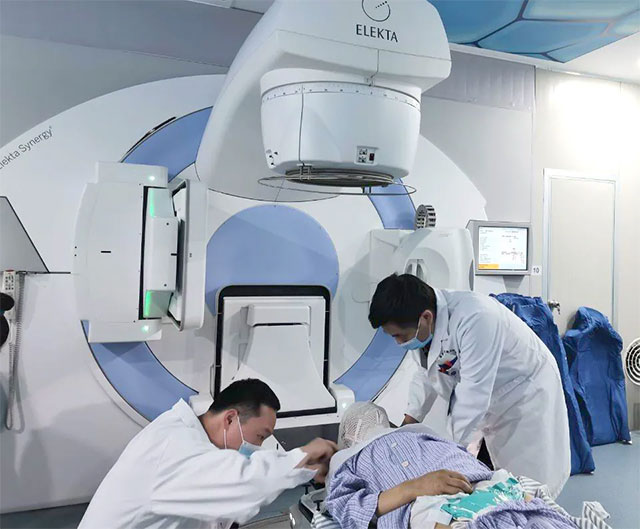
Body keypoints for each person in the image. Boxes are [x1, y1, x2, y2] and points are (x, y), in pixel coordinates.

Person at [368, 274, 570, 498]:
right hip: (492, 397)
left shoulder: (476, 318)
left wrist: (447, 456)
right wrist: (406, 426)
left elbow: (473, 397)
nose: (399, 343)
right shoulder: (426, 324)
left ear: (426, 317)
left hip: (525, 394)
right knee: (499, 481)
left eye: (400, 336)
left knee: (528, 485)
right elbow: (426, 373)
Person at [79, 378, 337, 529]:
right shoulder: (174, 446)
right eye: (260, 436)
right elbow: (241, 484)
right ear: (230, 419)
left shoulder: (195, 444)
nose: (257, 447)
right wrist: (303, 458)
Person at [326, 403, 578, 529]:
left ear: (346, 436)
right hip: (429, 503)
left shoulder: (418, 434)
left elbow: (464, 459)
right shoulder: (349, 462)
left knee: (519, 503)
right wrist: (414, 487)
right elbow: (347, 508)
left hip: (475, 483)